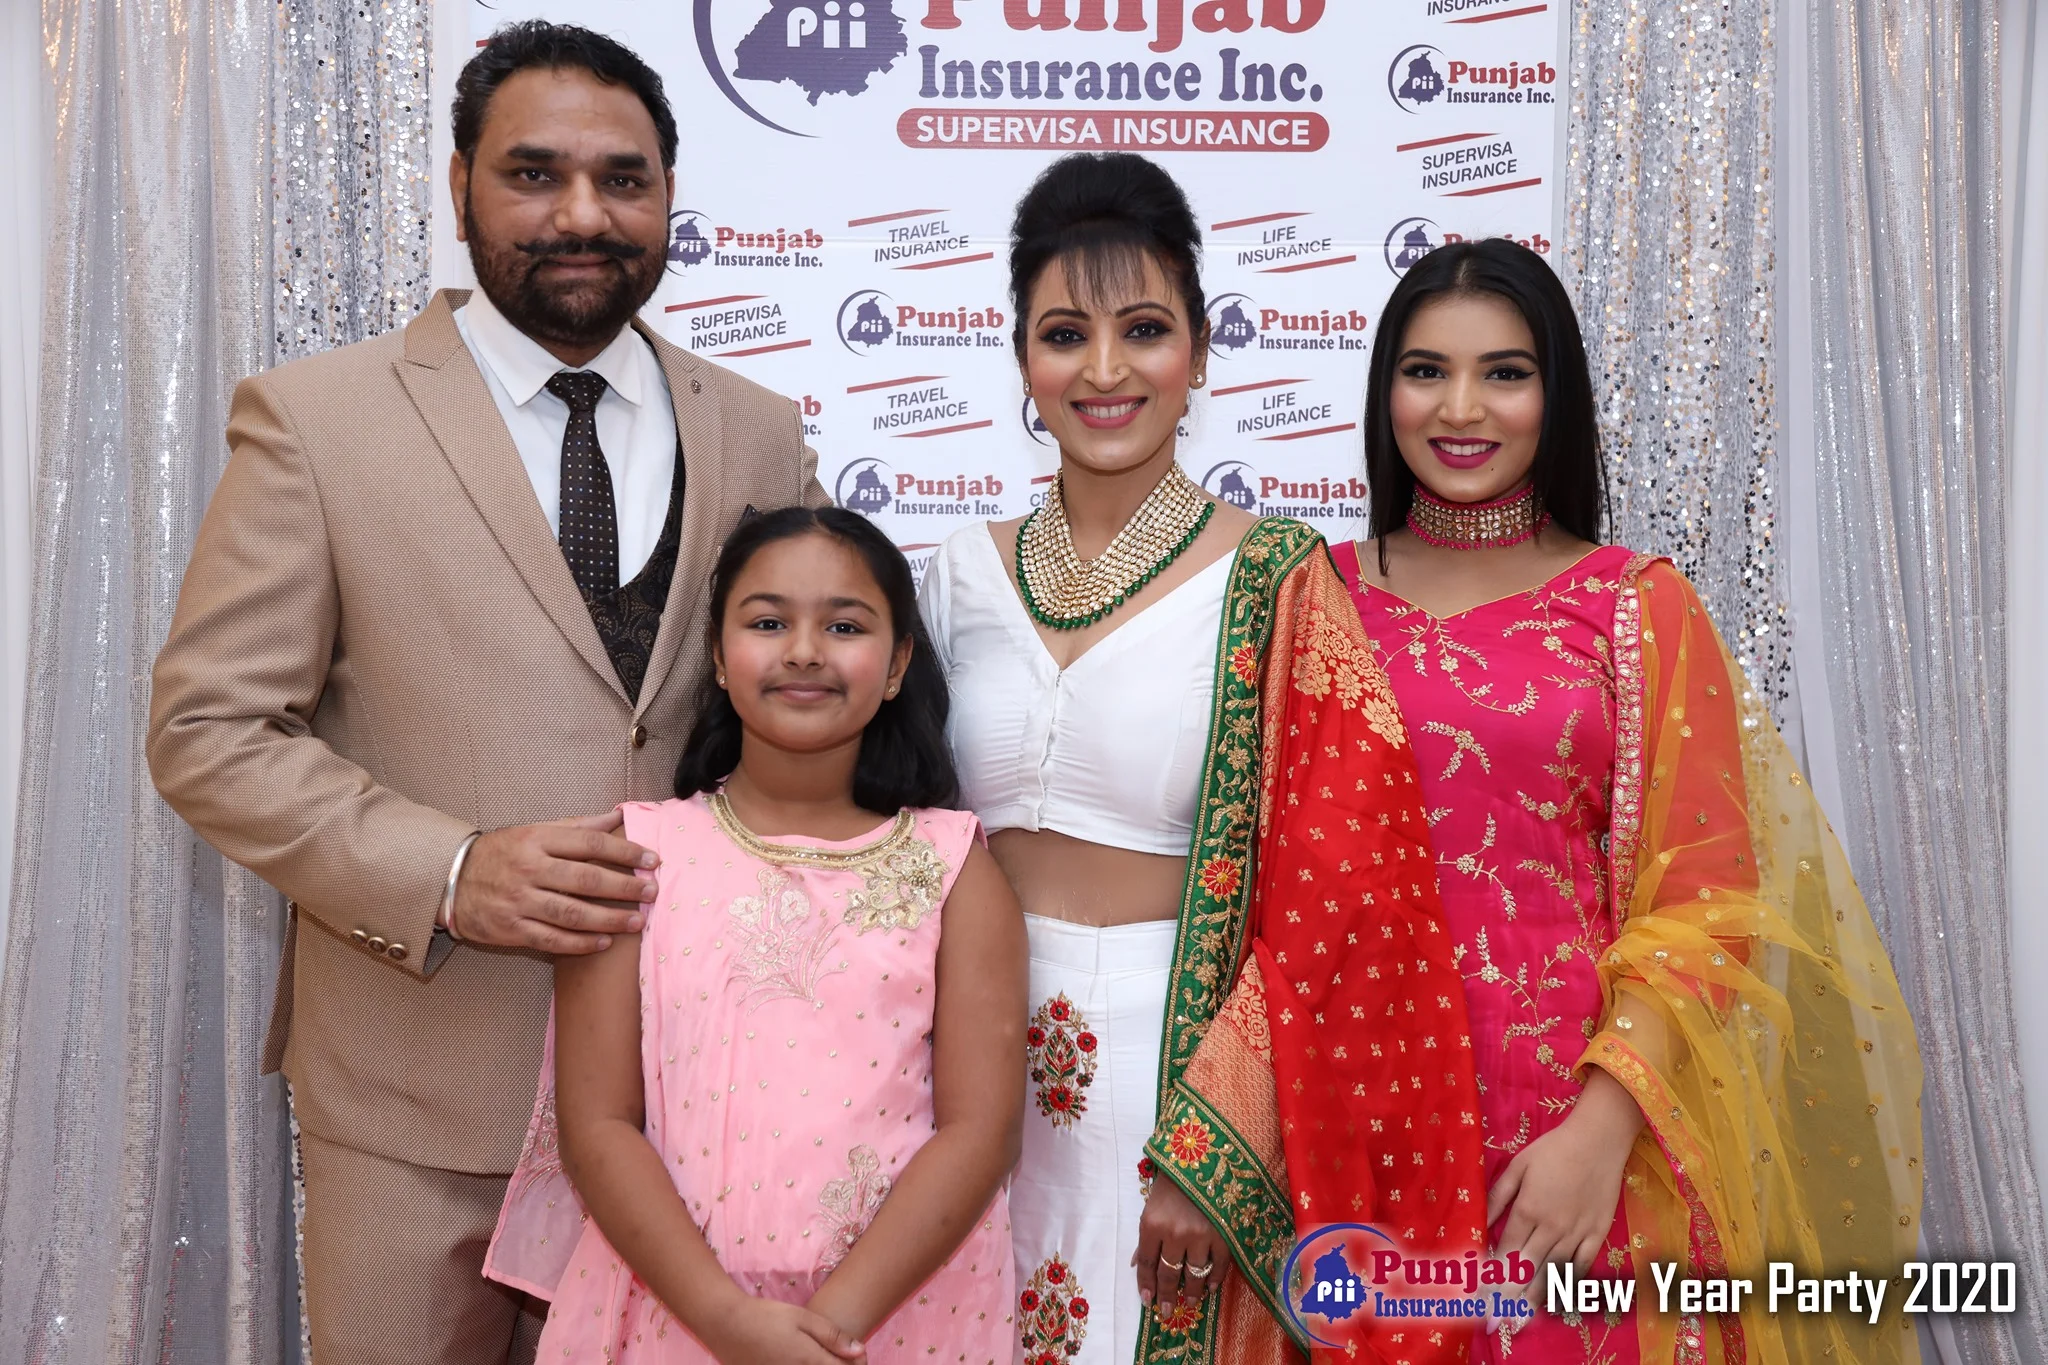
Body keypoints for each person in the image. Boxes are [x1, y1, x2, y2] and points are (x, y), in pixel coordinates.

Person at [145, 21, 825, 1363]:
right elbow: (208, 730)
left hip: (699, 1111)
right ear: (458, 189)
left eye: (622, 179)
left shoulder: (758, 431)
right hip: (419, 1100)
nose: (582, 215)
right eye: (533, 174)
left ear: (670, 197)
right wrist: (451, 870)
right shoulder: (316, 420)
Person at [918, 151, 1489, 1365]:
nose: (1104, 370)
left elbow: (1349, 902)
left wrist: (1214, 1143)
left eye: (1143, 330)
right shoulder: (952, 576)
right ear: (1018, 356)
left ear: (1201, 351)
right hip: (961, 1075)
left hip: (1170, 1071)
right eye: (1064, 334)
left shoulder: (1276, 580)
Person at [1332, 238, 1924, 1364]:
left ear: (1554, 392)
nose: (1461, 407)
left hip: (1571, 1126)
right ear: (1384, 390)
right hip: (1358, 1112)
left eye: (1505, 372)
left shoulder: (1633, 605)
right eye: (1425, 370)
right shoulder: (1314, 599)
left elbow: (1709, 899)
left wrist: (1600, 1132)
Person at [483, 506, 1025, 1362]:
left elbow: (979, 1133)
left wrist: (827, 1331)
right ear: (716, 655)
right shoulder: (635, 859)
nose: (804, 650)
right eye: (768, 622)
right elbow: (599, 1128)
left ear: (897, 665)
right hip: (672, 1310)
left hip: (896, 1318)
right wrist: (729, 1323)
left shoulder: (955, 869)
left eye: (844, 626)